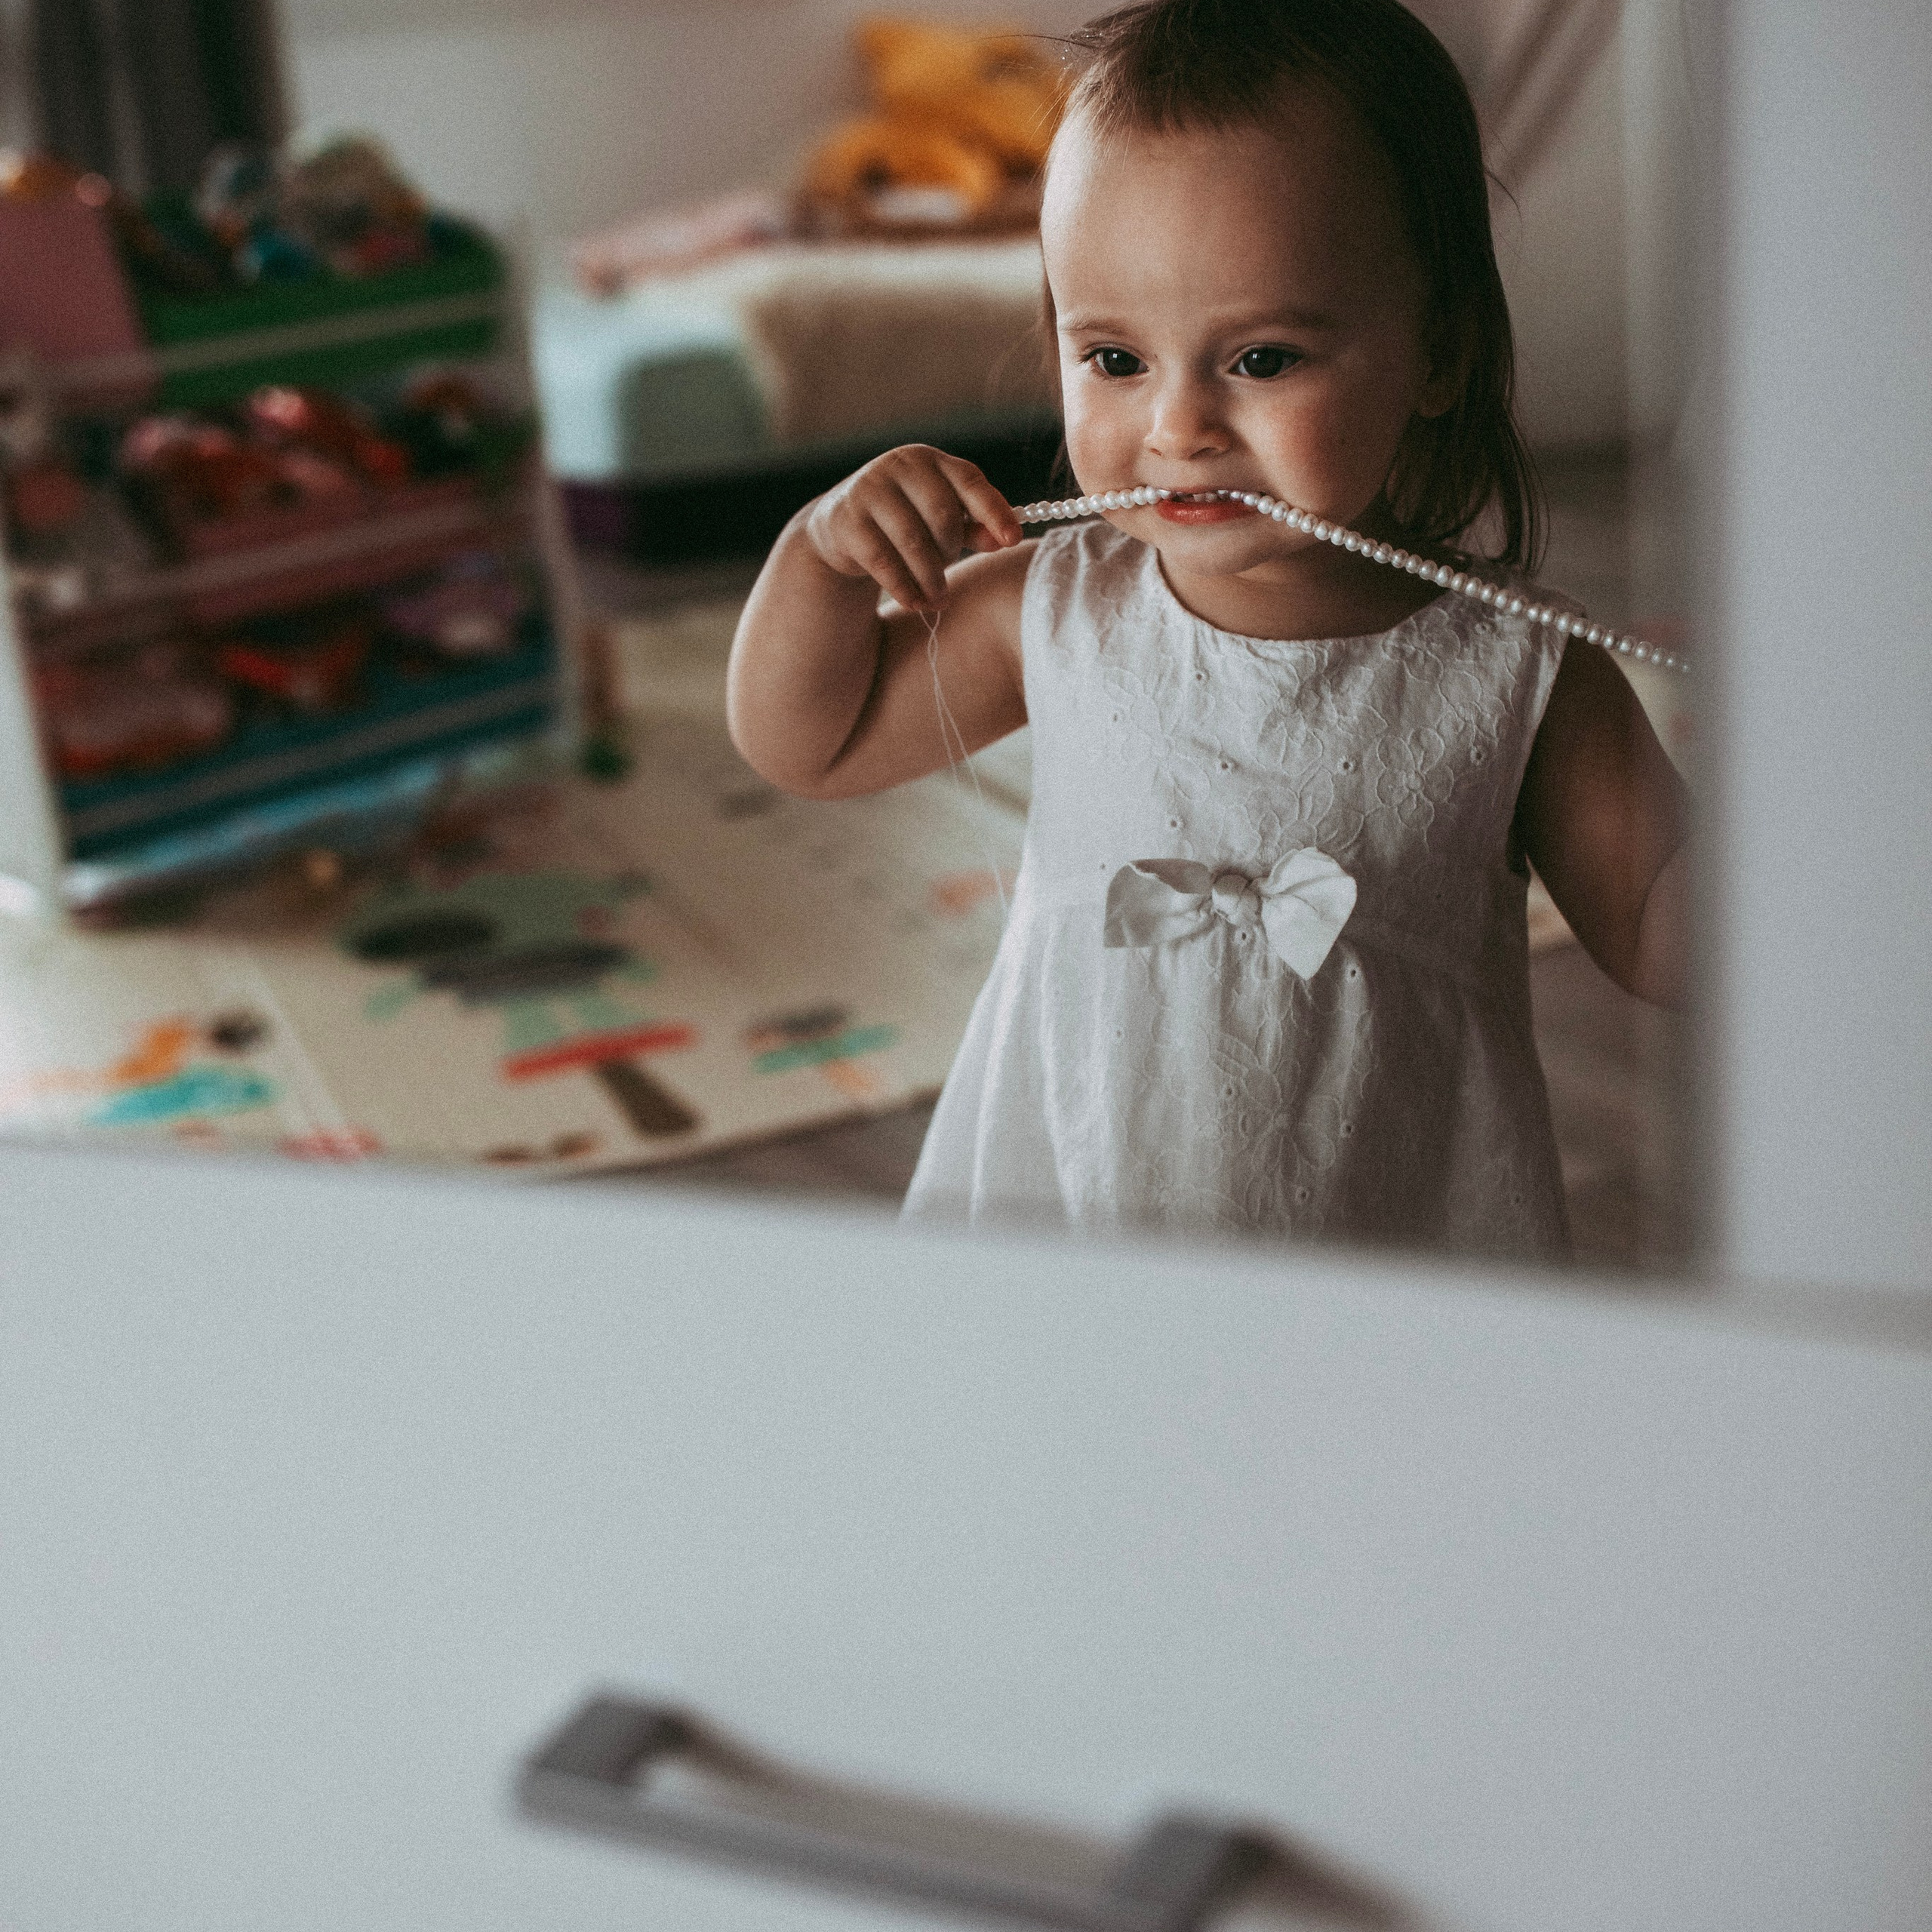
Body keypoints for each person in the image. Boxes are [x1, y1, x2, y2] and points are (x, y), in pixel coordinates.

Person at [726, 0, 1687, 1259]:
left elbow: (1666, 931)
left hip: (1391, 1240)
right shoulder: (1050, 607)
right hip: (1077, 1211)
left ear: (1438, 353)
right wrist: (816, 559)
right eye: (1116, 359)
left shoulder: (1520, 672)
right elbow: (810, 742)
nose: (1180, 427)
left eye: (1265, 359)